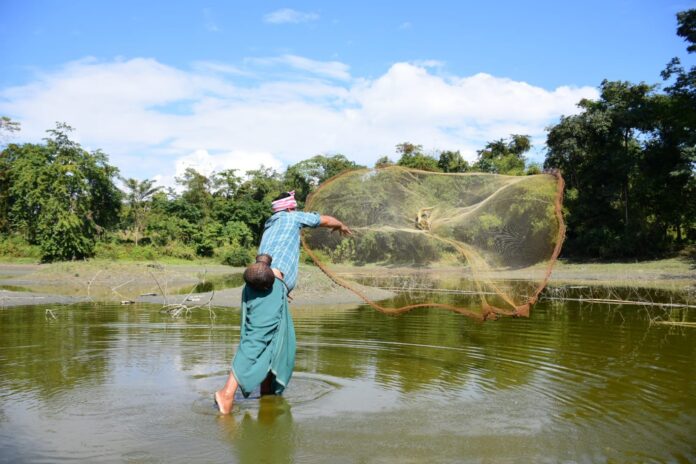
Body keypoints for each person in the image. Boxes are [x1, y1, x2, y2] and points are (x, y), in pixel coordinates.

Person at [215, 190, 351, 414]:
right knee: (256, 340)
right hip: (270, 286)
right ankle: (226, 393)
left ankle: (266, 393)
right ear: (290, 208)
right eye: (295, 208)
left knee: (274, 342)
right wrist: (340, 226)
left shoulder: (270, 225)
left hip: (264, 286)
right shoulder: (292, 217)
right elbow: (325, 220)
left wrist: (282, 291)